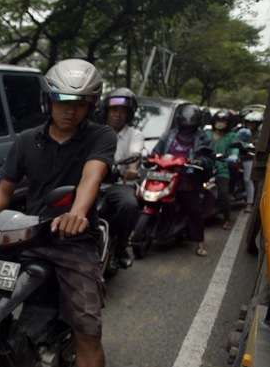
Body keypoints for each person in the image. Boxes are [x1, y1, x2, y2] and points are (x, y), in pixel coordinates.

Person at [0, 58, 116, 367]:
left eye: (80, 103)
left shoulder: (100, 136)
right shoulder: (26, 140)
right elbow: (4, 189)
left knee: (88, 328)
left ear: (92, 105)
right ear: (48, 101)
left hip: (74, 241)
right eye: (62, 101)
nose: (70, 110)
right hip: (30, 234)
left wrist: (78, 213)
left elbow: (92, 177)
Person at [151, 104, 216, 256]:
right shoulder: (169, 135)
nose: (187, 128)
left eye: (190, 126)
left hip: (188, 179)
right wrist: (150, 158)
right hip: (166, 176)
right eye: (185, 125)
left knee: (193, 209)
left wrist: (200, 161)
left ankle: (199, 243)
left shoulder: (203, 138)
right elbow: (156, 151)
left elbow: (210, 157)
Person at [99, 87, 144, 268]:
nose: (117, 115)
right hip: (93, 183)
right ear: (107, 112)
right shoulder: (96, 132)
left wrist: (132, 168)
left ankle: (121, 247)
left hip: (120, 184)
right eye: (114, 110)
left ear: (129, 115)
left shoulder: (135, 134)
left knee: (129, 205)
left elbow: (136, 154)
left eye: (122, 111)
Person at [206, 109, 239, 230]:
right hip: (205, 167)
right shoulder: (207, 133)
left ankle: (227, 219)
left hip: (221, 169)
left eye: (223, 121)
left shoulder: (232, 136)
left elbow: (235, 148)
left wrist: (233, 156)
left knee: (223, 193)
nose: (220, 123)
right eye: (218, 120)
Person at [241, 111, 263, 213]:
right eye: (248, 123)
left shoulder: (260, 135)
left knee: (247, 179)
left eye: (252, 124)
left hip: (248, 159)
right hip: (236, 157)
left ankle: (250, 203)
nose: (250, 125)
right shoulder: (239, 131)